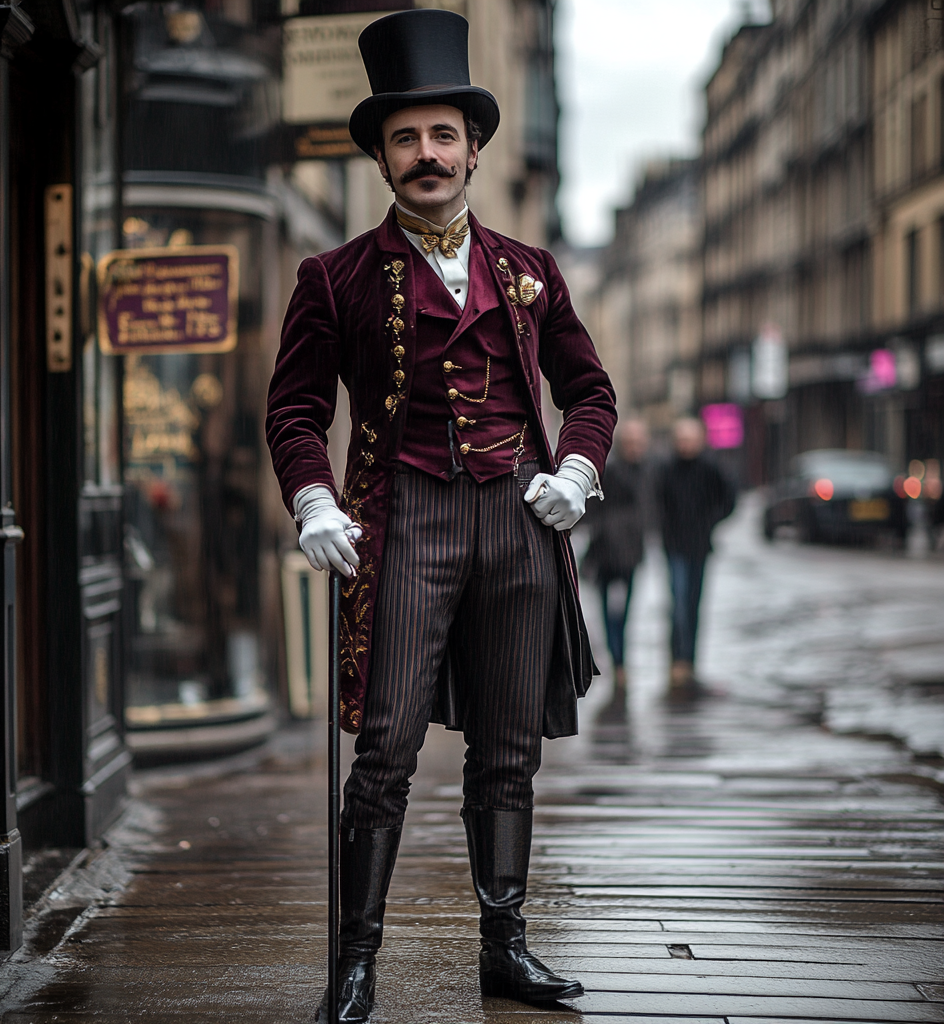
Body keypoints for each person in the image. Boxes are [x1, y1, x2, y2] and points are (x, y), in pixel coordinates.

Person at [265, 10, 616, 1021]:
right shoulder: (329, 278)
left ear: (472, 149)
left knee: (509, 745)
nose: (426, 153)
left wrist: (579, 468)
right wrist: (312, 495)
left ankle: (504, 948)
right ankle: (357, 962)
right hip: (400, 520)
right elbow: (293, 408)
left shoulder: (530, 269)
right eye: (405, 138)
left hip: (517, 517)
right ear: (382, 155)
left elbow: (588, 391)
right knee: (385, 748)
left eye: (442, 135)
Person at [656, 417, 735, 690]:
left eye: (690, 440)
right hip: (674, 546)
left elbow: (728, 499)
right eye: (682, 440)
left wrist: (710, 522)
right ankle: (677, 658)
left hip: (699, 546)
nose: (685, 445)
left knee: (693, 605)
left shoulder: (711, 468)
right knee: (678, 603)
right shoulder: (666, 468)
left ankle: (689, 660)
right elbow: (656, 502)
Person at [580, 419, 649, 701]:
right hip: (607, 554)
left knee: (624, 612)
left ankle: (620, 660)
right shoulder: (609, 470)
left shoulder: (648, 471)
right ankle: (617, 660)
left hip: (631, 555)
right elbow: (592, 509)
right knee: (610, 612)